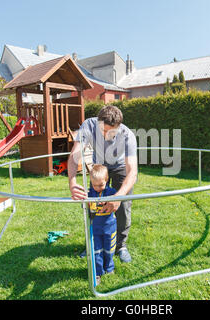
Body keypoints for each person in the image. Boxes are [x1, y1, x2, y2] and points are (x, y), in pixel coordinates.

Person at [68, 105, 138, 263]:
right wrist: (72, 182)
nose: (106, 135)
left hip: (120, 167)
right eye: (103, 131)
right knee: (93, 203)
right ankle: (94, 243)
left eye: (111, 132)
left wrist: (118, 197)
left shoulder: (128, 135)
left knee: (123, 205)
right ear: (97, 122)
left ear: (118, 127)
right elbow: (74, 155)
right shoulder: (89, 125)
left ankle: (120, 245)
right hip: (99, 166)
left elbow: (132, 171)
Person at [87, 165, 117, 285]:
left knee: (109, 249)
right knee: (96, 250)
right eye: (94, 185)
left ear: (107, 180)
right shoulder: (89, 194)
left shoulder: (112, 192)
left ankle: (109, 268)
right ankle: (98, 272)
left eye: (101, 185)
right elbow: (84, 207)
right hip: (96, 228)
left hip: (109, 227)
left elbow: (117, 203)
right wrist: (87, 202)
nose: (98, 188)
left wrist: (111, 200)